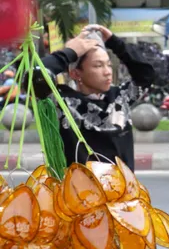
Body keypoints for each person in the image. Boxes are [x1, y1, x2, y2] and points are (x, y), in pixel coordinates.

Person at [33, 24, 156, 170]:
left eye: (108, 65)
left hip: (123, 184)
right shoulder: (61, 102)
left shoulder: (120, 97)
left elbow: (146, 74)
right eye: (98, 66)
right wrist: (70, 53)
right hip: (79, 184)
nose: (107, 72)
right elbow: (35, 75)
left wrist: (115, 42)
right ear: (75, 74)